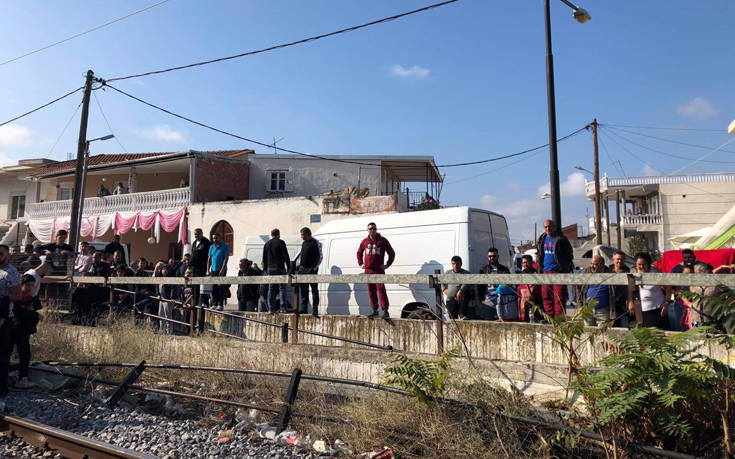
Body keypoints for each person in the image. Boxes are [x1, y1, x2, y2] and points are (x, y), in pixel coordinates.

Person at [356, 222, 395, 319]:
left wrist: (387, 265)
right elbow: (359, 253)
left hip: (378, 271)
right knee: (371, 291)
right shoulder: (365, 241)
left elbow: (392, 253)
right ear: (367, 230)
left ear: (376, 230)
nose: (372, 230)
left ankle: (385, 311)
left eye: (374, 229)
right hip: (368, 271)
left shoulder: (382, 241)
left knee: (381, 291)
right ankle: (375, 310)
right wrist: (361, 263)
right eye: (370, 229)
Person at [536, 220, 573, 319]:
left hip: (558, 271)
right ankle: (550, 317)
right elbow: (540, 253)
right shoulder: (542, 238)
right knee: (546, 295)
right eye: (545, 227)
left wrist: (564, 267)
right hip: (545, 271)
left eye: (549, 226)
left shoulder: (561, 239)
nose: (548, 229)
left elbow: (569, 255)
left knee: (559, 296)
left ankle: (559, 318)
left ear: (554, 227)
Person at [11, 274, 43, 389]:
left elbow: (37, 314)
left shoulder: (31, 299)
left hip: (23, 331)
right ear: (21, 285)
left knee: (25, 354)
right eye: (28, 285)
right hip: (11, 330)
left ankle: (22, 379)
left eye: (32, 285)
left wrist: (33, 313)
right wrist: (31, 313)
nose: (30, 288)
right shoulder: (14, 298)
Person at [0, 244, 22, 411]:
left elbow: (16, 295)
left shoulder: (11, 272)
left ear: (7, 255)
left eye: (1, 254)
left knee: (2, 357)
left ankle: (2, 390)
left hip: (3, 319)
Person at [629, 253, 670, 329]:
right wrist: (630, 302)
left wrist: (667, 303)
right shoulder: (633, 272)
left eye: (643, 264)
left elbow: (668, 287)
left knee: (659, 332)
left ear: (648, 264)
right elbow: (630, 289)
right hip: (641, 309)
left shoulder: (655, 271)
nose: (641, 267)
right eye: (639, 264)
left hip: (657, 308)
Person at [576, 255, 614, 326]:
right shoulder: (586, 272)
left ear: (602, 264)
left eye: (595, 264)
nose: (592, 266)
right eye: (591, 263)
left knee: (603, 331)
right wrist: (580, 305)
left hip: (603, 311)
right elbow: (577, 288)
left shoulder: (610, 274)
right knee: (587, 331)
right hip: (587, 309)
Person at [262, 228, 290, 313]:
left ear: (271, 235)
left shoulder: (267, 244)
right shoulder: (281, 242)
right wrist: (289, 267)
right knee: (282, 288)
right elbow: (286, 255)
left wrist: (266, 270)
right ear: (278, 234)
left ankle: (271, 308)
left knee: (271, 288)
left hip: (270, 268)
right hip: (280, 267)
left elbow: (264, 258)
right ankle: (282, 307)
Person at [668, 249, 696, 331]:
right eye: (685, 257)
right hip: (680, 304)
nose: (687, 259)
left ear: (694, 257)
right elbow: (671, 287)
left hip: (695, 303)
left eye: (690, 257)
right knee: (680, 327)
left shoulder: (699, 267)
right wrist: (671, 300)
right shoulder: (676, 269)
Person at [296, 227, 322, 317]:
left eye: (302, 235)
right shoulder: (303, 243)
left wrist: (313, 268)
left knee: (314, 290)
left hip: (312, 270)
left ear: (307, 234)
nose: (301, 237)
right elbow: (301, 256)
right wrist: (298, 267)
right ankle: (304, 308)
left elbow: (320, 257)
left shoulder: (315, 242)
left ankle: (315, 310)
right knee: (304, 290)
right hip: (303, 269)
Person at [207, 233, 229, 311]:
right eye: (213, 238)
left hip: (221, 270)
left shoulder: (225, 246)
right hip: (213, 270)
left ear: (220, 238)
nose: (215, 240)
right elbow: (209, 259)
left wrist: (222, 269)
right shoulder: (211, 247)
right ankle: (214, 303)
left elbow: (226, 258)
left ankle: (220, 304)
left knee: (221, 287)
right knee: (214, 287)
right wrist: (207, 270)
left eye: (216, 238)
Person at [609, 251, 631, 328]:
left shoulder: (628, 271)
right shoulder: (608, 270)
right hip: (610, 302)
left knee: (624, 325)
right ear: (613, 260)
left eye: (622, 259)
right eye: (618, 259)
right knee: (611, 325)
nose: (620, 261)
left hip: (623, 302)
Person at [517, 255, 542, 322]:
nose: (525, 264)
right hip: (523, 309)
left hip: (535, 309)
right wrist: (519, 312)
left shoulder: (536, 274)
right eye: (523, 263)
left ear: (531, 262)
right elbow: (519, 297)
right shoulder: (521, 275)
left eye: (527, 262)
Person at [190, 228, 210, 306]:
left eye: (197, 234)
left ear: (201, 234)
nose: (196, 235)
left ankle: (205, 304)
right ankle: (195, 304)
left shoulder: (206, 242)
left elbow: (209, 256)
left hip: (202, 268)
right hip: (194, 269)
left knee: (203, 289)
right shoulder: (194, 243)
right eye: (195, 234)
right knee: (195, 288)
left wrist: (208, 269)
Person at [158, 264, 175, 334]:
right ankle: (162, 330)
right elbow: (157, 287)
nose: (164, 270)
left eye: (166, 269)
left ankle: (169, 331)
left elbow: (172, 289)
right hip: (161, 299)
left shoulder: (170, 279)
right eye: (163, 269)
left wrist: (171, 297)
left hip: (167, 299)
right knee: (160, 314)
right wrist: (158, 295)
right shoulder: (159, 278)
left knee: (168, 315)